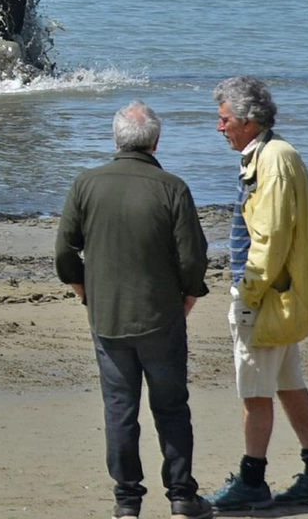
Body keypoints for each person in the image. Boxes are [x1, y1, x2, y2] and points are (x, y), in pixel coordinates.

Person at [56, 100, 214, 519]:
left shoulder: (86, 184)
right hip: (161, 315)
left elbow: (64, 250)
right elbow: (193, 255)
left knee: (120, 408)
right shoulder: (172, 188)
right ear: (156, 142)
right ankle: (181, 496)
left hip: (108, 316)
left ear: (116, 139)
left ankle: (127, 500)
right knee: (171, 406)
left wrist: (83, 290)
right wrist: (190, 294)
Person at [208, 76, 308, 510]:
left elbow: (269, 240)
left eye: (224, 119)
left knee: (255, 389)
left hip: (266, 296)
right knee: (288, 384)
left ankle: (252, 480)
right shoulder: (269, 153)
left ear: (248, 122)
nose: (219, 127)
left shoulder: (273, 160)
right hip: (275, 293)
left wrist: (246, 295)